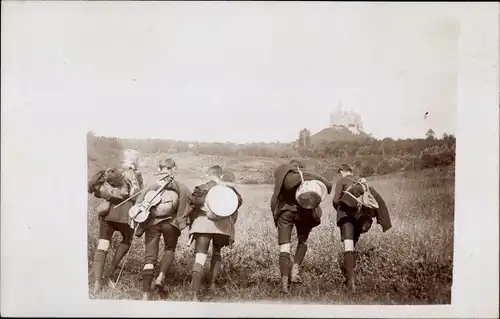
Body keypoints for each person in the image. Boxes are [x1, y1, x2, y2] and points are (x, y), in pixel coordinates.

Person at [133, 158, 192, 301]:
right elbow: (191, 203)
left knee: (150, 257)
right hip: (170, 224)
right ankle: (160, 277)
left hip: (152, 223)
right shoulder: (181, 187)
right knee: (169, 249)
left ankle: (145, 294)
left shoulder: (151, 186)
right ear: (173, 169)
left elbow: (138, 204)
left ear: (160, 169)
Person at [270, 159, 333, 293]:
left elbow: (274, 199)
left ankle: (284, 284)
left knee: (284, 247)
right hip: (306, 213)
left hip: (286, 212)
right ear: (300, 167)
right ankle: (295, 271)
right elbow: (328, 185)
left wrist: (276, 217)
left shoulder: (285, 176)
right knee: (302, 241)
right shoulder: (308, 176)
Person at [88, 149, 144, 295]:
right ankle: (110, 271)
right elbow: (137, 195)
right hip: (127, 215)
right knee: (126, 240)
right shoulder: (136, 175)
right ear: (135, 161)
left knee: (102, 245)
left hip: (108, 214)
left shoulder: (113, 173)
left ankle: (97, 283)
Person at [332, 163, 392, 292]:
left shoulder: (341, 181)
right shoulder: (360, 182)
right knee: (353, 246)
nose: (340, 174)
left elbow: (336, 200)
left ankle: (351, 283)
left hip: (346, 217)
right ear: (351, 171)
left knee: (348, 247)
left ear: (342, 171)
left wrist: (340, 208)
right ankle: (351, 277)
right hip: (360, 218)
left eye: (340, 172)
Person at [188, 165, 243, 301]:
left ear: (208, 174)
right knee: (217, 253)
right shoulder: (229, 189)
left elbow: (192, 203)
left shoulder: (201, 188)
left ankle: (195, 293)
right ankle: (212, 285)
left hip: (203, 225)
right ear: (220, 175)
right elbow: (238, 202)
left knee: (200, 257)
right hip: (222, 227)